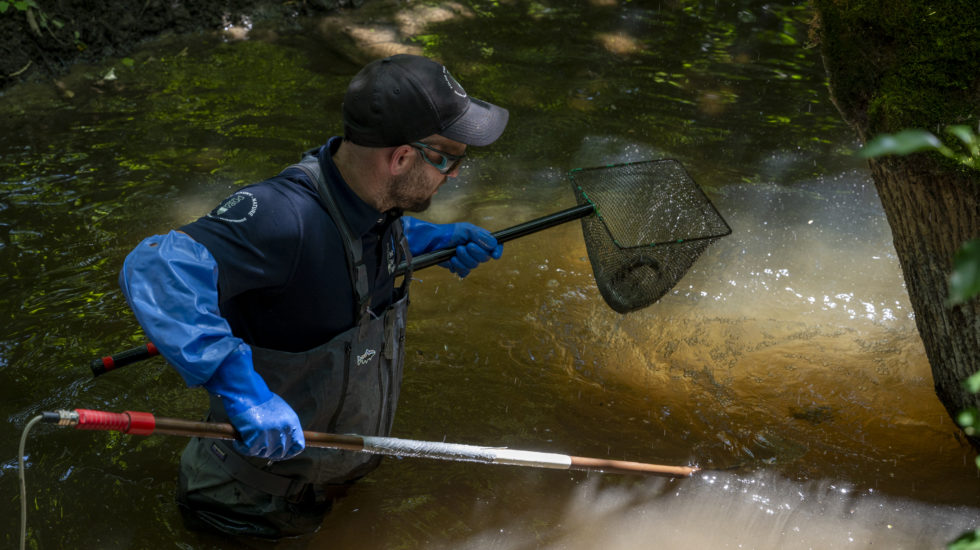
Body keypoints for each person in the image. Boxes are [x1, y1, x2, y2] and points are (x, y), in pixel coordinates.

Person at [118, 54, 509, 538]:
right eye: (448, 159)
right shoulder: (282, 217)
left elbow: (361, 232)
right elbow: (156, 266)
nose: (452, 176)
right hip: (244, 509)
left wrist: (431, 239)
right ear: (402, 157)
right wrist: (244, 392)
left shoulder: (372, 201)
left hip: (335, 484)